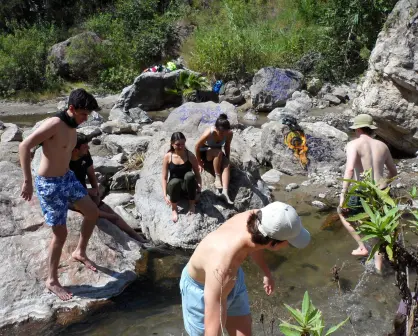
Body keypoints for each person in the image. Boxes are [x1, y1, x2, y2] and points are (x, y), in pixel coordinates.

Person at [180, 201, 311, 336]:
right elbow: (212, 332)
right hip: (203, 288)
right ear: (274, 245)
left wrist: (266, 272)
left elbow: (257, 243)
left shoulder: (258, 218)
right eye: (289, 243)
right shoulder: (222, 267)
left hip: (234, 278)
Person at [19, 88, 100, 301]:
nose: (85, 119)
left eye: (88, 115)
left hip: (67, 178)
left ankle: (80, 252)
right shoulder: (54, 124)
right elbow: (24, 145)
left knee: (92, 212)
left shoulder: (73, 126)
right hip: (49, 184)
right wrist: (27, 180)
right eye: (83, 114)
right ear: (71, 108)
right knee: (61, 234)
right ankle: (52, 280)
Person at [338, 114, 397, 270]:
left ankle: (362, 246)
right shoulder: (383, 145)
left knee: (342, 214)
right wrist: (384, 185)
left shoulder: (354, 144)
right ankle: (378, 268)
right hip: (382, 190)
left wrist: (343, 194)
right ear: (371, 129)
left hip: (362, 190)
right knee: (378, 229)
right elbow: (393, 171)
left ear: (357, 128)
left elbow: (350, 169)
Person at [69, 133, 150, 245]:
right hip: (70, 197)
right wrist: (88, 191)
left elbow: (91, 174)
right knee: (97, 211)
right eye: (84, 146)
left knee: (104, 206)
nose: (88, 148)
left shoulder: (85, 155)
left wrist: (96, 190)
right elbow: (65, 189)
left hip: (84, 194)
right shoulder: (64, 163)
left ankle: (136, 237)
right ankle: (105, 215)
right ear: (75, 150)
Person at [162, 132, 202, 223]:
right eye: (177, 144)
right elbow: (164, 177)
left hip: (187, 186)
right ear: (172, 144)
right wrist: (165, 195)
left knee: (190, 175)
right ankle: (174, 208)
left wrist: (199, 190)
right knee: (175, 181)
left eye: (183, 144)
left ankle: (191, 204)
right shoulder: (168, 156)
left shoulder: (190, 156)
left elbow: (197, 175)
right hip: (174, 186)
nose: (181, 147)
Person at [195, 113, 234, 205]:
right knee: (218, 152)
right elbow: (197, 146)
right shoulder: (209, 132)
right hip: (206, 152)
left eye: (225, 132)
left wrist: (227, 159)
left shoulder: (229, 134)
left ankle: (224, 192)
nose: (222, 135)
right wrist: (199, 162)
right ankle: (217, 177)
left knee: (227, 165)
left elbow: (227, 146)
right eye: (221, 133)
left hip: (218, 153)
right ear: (216, 129)